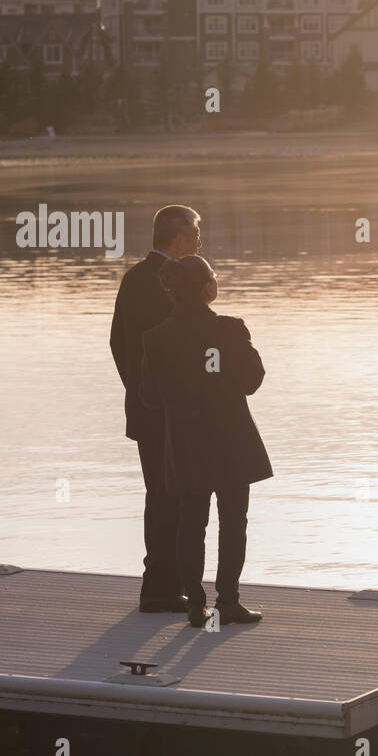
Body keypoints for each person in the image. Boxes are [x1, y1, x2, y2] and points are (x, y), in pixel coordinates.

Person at [139, 254, 272, 626]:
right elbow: (251, 381)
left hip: (185, 442)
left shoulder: (155, 338)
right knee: (233, 522)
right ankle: (227, 601)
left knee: (190, 524)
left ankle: (195, 605)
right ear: (206, 288)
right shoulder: (230, 330)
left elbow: (149, 396)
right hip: (232, 442)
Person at [109, 205, 203, 612]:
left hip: (146, 409)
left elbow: (117, 342)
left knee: (161, 496)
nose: (200, 242)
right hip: (171, 411)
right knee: (173, 498)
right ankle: (163, 590)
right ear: (179, 238)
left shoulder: (133, 277)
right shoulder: (172, 280)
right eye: (196, 234)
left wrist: (137, 389)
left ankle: (162, 585)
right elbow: (181, 344)